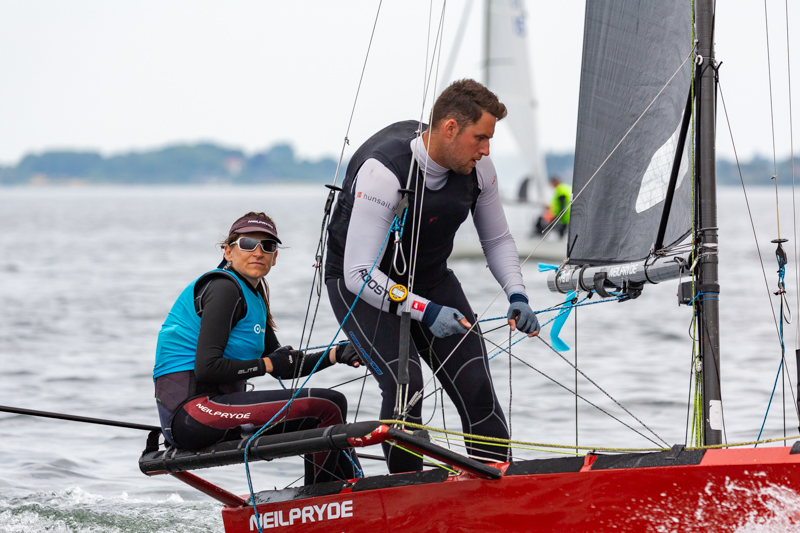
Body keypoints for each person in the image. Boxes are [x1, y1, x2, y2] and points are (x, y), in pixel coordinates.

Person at [325, 79, 540, 473]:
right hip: (361, 284)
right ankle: (407, 492)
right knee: (406, 385)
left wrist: (517, 295)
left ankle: (496, 488)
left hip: (430, 279)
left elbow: (497, 240)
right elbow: (358, 274)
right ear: (450, 128)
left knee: (477, 387)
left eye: (489, 140)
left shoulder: (480, 170)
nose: (486, 149)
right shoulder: (383, 173)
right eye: (480, 138)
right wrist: (424, 310)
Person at [153, 212, 362, 485]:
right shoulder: (223, 288)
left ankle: (352, 492)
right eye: (248, 243)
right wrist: (268, 364)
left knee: (328, 408)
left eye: (268, 246)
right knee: (326, 405)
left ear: (275, 257)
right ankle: (321, 498)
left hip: (214, 409)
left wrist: (336, 354)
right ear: (228, 251)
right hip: (192, 414)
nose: (258, 252)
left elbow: (284, 366)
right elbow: (208, 369)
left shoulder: (253, 297)